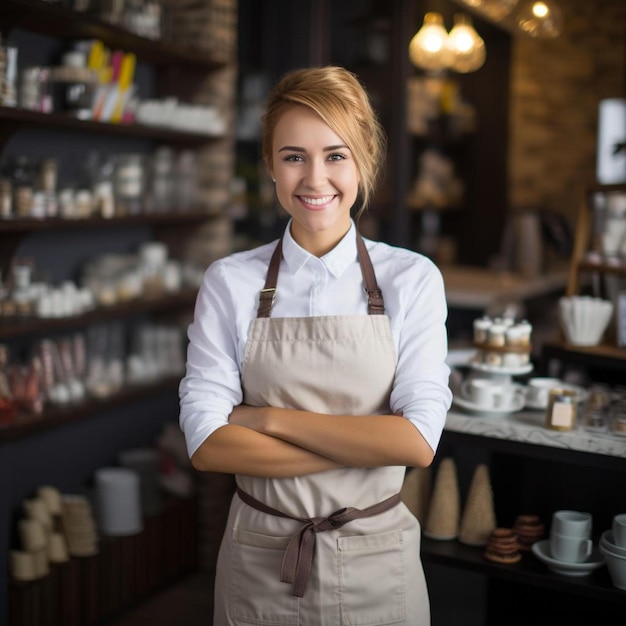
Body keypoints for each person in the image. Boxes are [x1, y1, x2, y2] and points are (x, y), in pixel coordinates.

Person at [179, 65, 452, 626]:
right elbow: (208, 444)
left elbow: (419, 441)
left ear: (364, 160)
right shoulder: (230, 281)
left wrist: (267, 419)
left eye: (335, 155)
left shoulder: (412, 278)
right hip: (260, 561)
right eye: (293, 156)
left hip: (379, 564)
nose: (314, 178)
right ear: (270, 166)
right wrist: (367, 446)